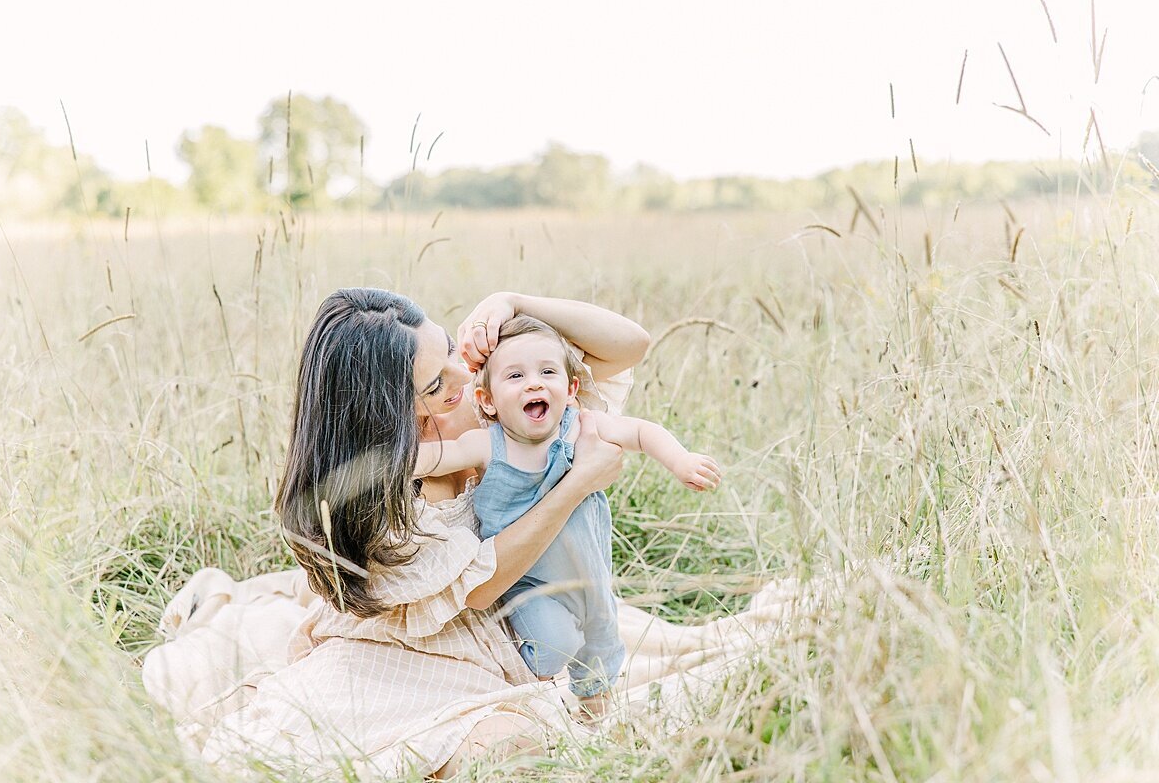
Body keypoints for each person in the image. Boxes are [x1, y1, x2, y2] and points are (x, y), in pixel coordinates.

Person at [147, 288, 795, 779]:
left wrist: (516, 301)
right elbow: (481, 588)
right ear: (387, 413)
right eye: (436, 382)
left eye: (452, 354)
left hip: (527, 610)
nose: (461, 382)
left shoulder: (486, 398)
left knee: (658, 657)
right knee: (502, 744)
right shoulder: (379, 498)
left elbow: (630, 345)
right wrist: (577, 484)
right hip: (434, 635)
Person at [413, 314, 721, 716]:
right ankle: (538, 691)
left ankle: (596, 721)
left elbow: (642, 432)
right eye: (516, 377)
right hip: (527, 581)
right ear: (487, 399)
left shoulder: (581, 426)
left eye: (547, 372)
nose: (535, 383)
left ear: (571, 388)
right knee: (551, 648)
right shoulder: (486, 445)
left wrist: (681, 460)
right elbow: (435, 458)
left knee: (600, 649)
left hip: (588, 576)